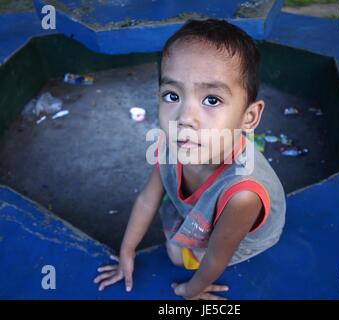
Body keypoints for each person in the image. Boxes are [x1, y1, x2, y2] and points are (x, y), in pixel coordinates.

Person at [94, 18, 286, 300]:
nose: (185, 117)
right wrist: (126, 251)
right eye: (172, 95)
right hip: (209, 213)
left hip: (240, 238)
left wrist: (190, 291)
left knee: (175, 254)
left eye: (211, 100)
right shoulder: (177, 143)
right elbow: (148, 199)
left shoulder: (242, 194)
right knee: (173, 228)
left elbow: (216, 258)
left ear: (249, 117)